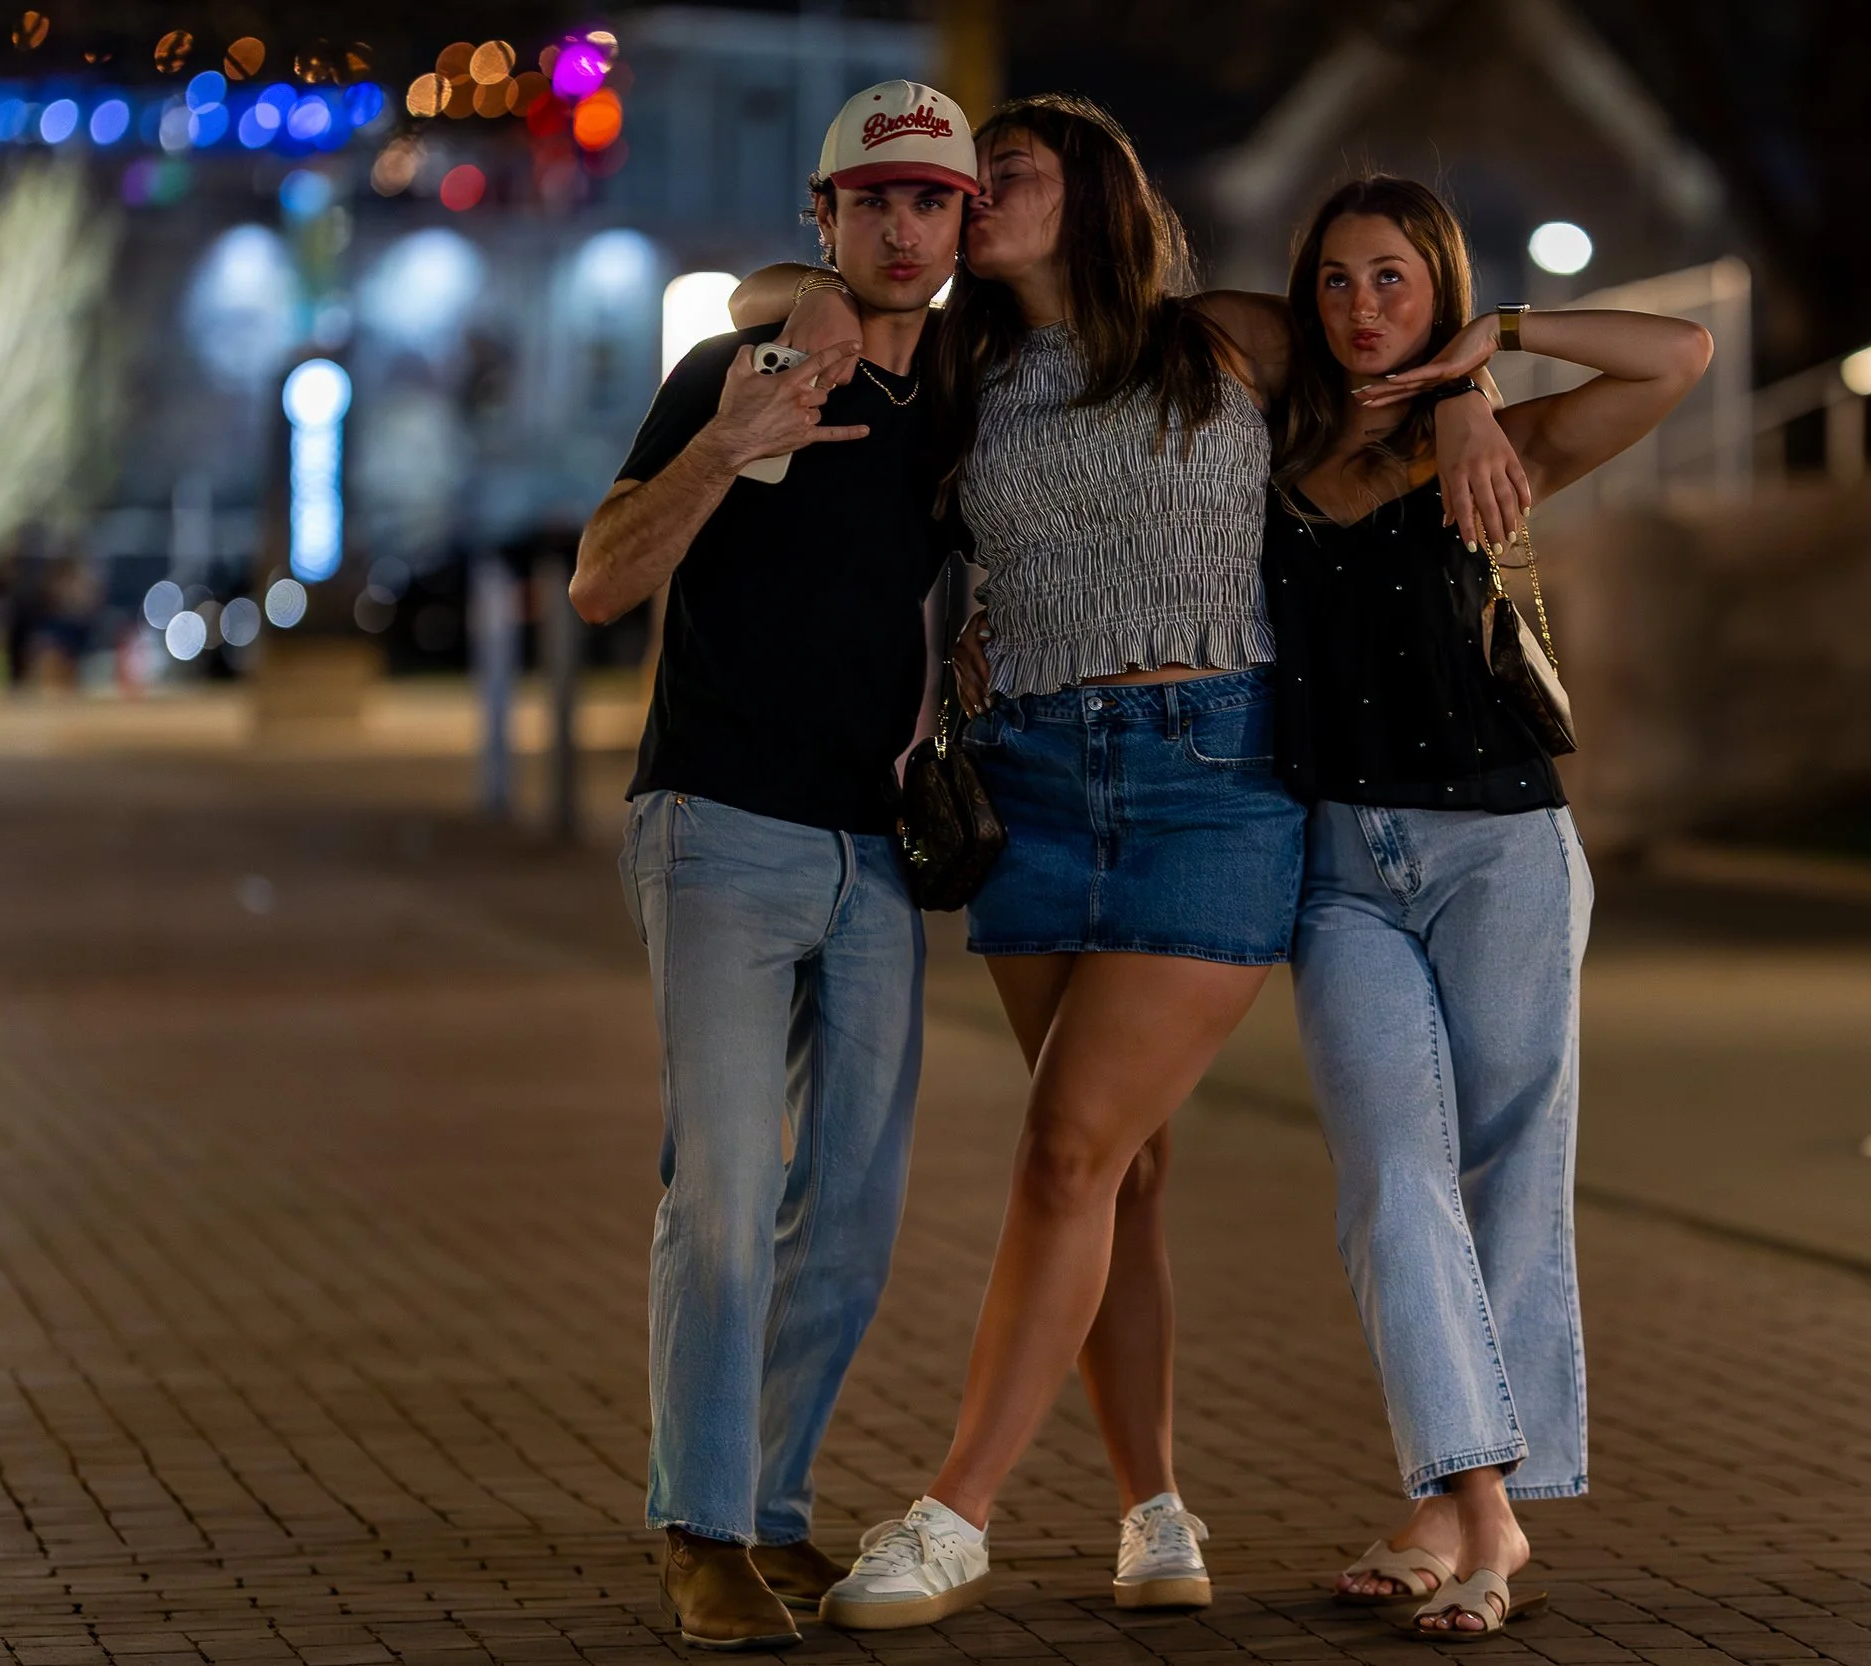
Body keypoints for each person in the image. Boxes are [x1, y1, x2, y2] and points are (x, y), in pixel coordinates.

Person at [727, 100, 1529, 1631]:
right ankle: (1155, 1508)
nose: (972, 202)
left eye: (1006, 177)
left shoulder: (1221, 337)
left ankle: (957, 1512)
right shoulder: (951, 363)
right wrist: (818, 296)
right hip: (1029, 779)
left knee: (1064, 1151)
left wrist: (1473, 403)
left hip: (1210, 786)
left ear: (1093, 190)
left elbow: (1400, 353)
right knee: (1120, 1170)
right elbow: (760, 296)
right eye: (962, 187)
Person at [1264, 176, 1710, 1640]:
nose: (1360, 306)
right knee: (1392, 1178)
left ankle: (1454, 1511)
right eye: (1335, 279)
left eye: (1392, 277)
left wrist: (1488, 356)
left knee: (1513, 1168)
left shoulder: (1501, 438)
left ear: (1440, 289)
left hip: (1503, 847)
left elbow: (1679, 356)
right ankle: (1482, 1504)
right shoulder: (1262, 446)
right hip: (1340, 867)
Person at [567, 81, 980, 1652]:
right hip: (718, 822)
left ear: (960, 225)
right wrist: (729, 444)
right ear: (825, 215)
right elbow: (603, 579)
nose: (901, 227)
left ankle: (770, 1499)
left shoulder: (952, 403)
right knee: (728, 1194)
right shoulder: (738, 370)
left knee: (855, 1210)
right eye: (871, 201)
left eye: (929, 200)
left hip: (875, 848)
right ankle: (702, 1528)